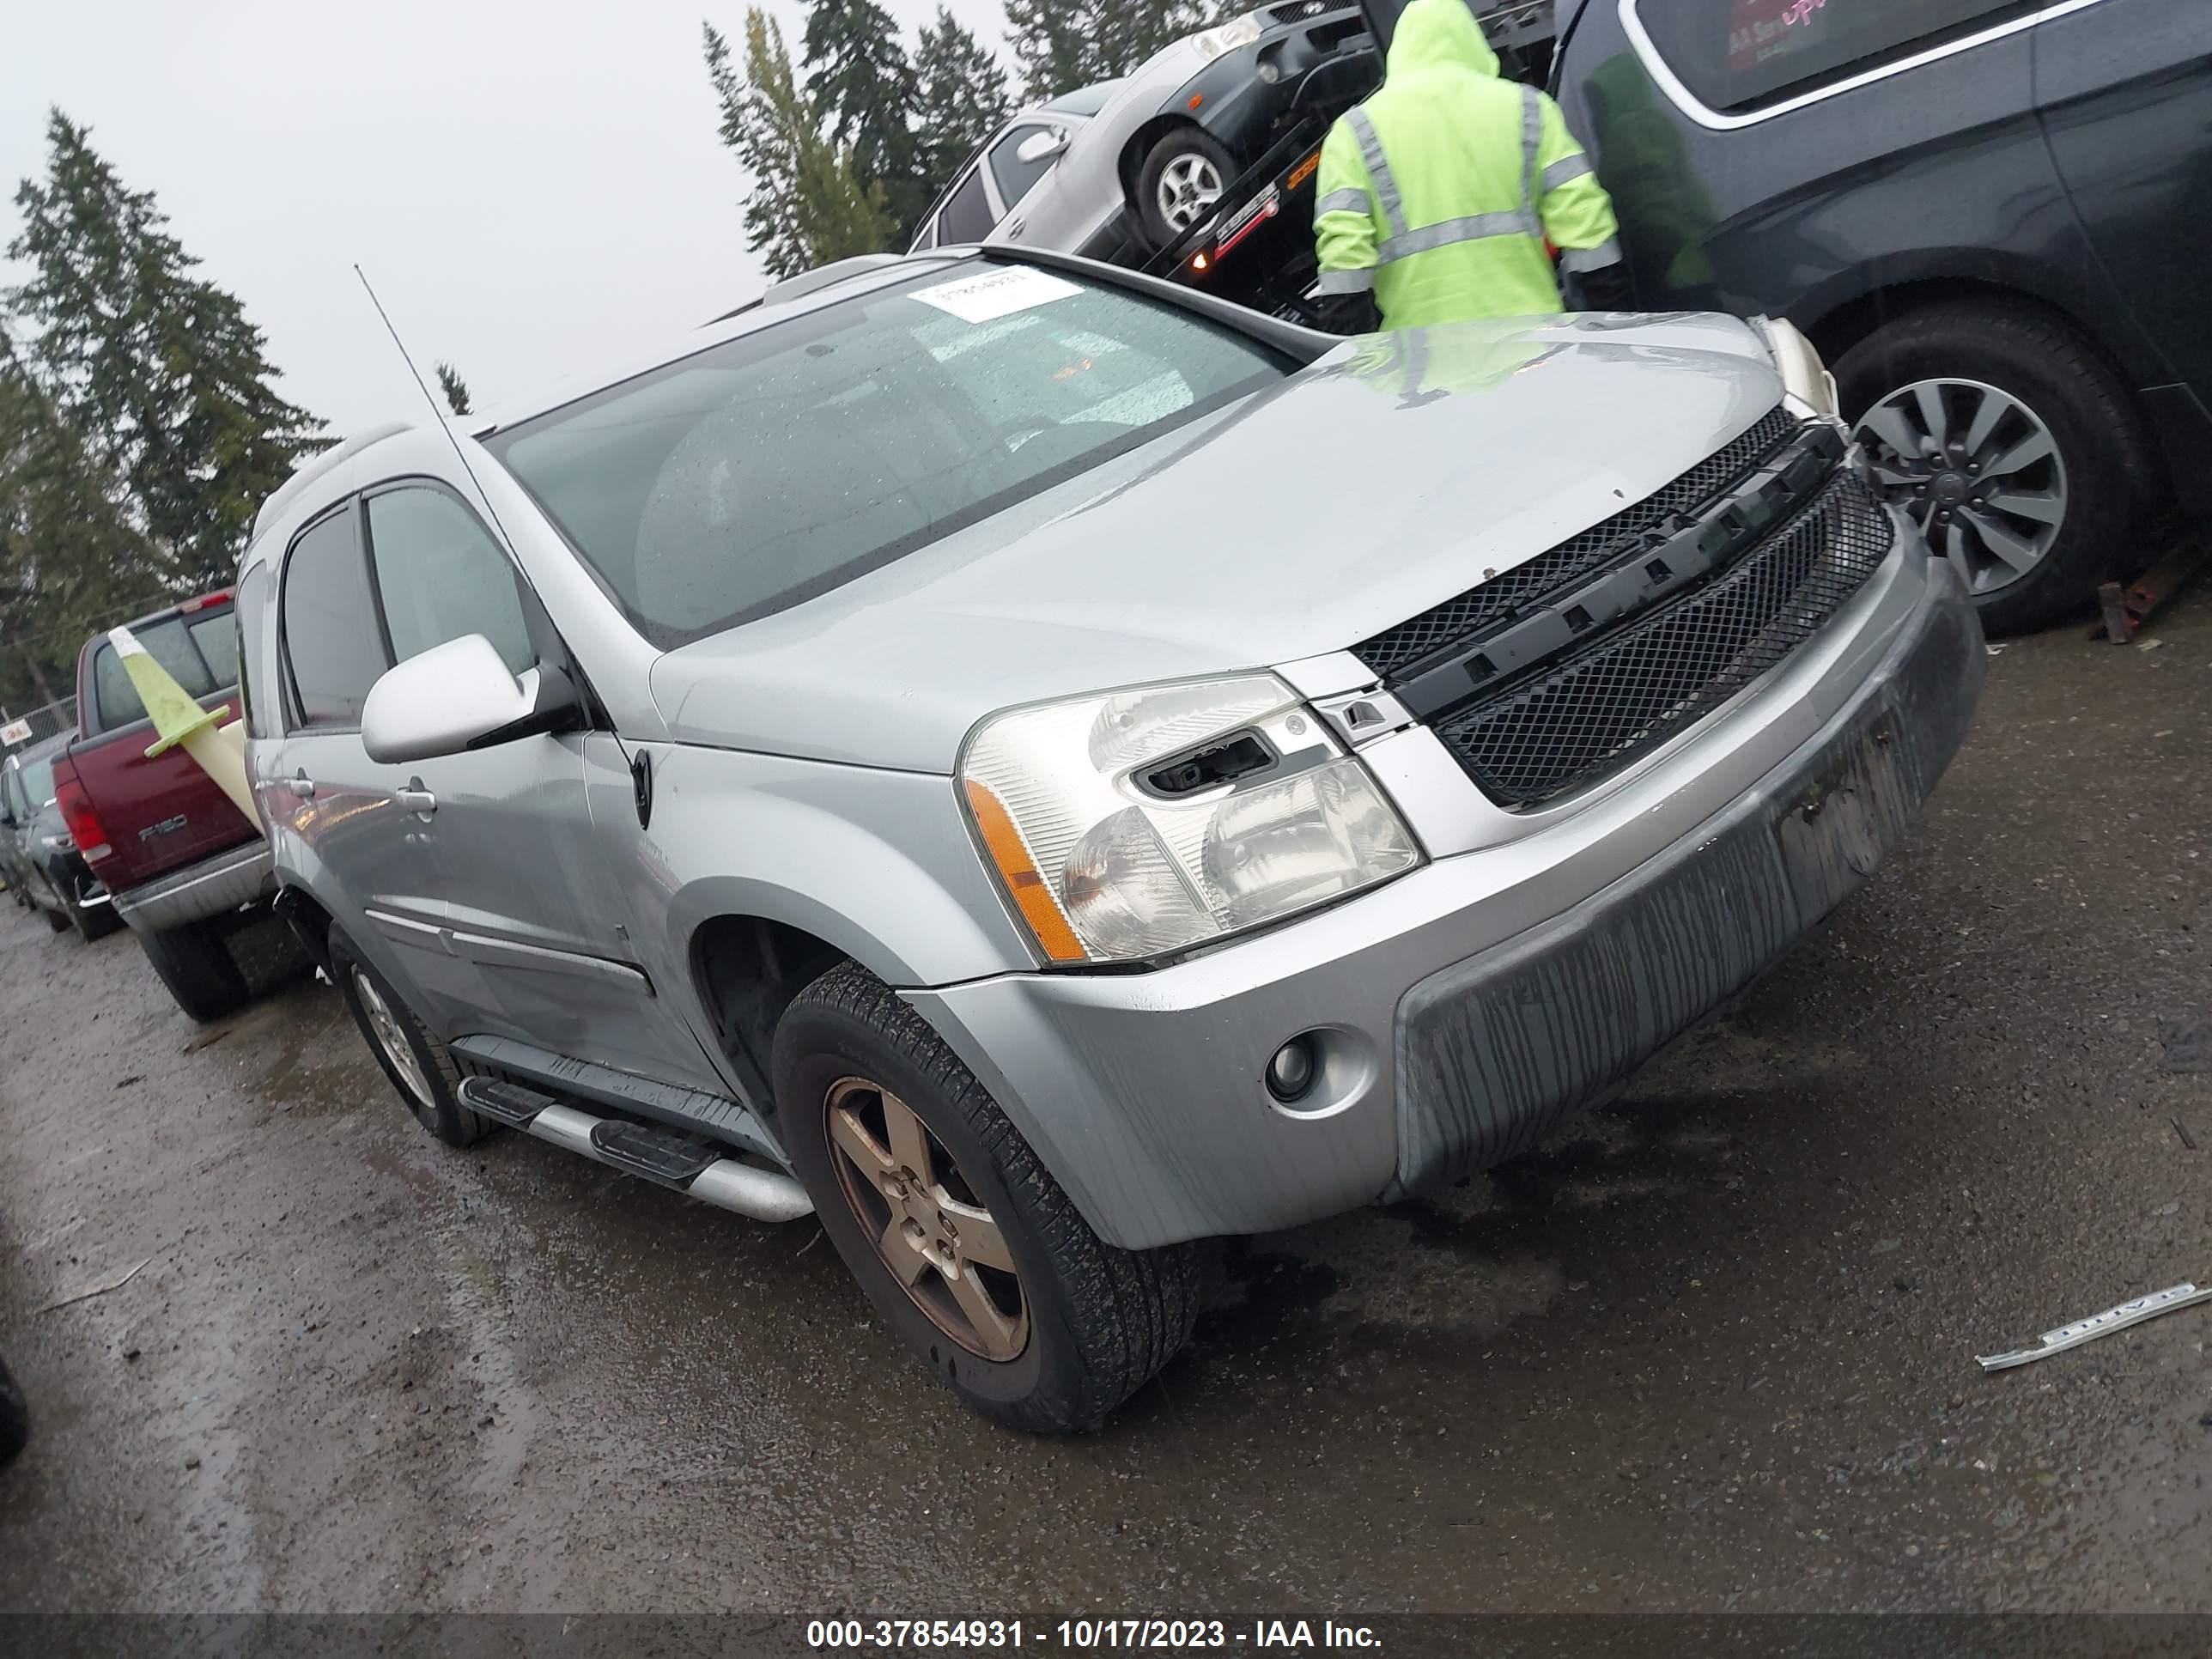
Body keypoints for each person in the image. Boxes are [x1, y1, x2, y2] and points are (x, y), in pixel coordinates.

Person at [1313, 0, 1629, 332]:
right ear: (1472, 40)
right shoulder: (1530, 109)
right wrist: (1607, 325)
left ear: (1399, 50)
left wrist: (1357, 366)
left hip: (1421, 361)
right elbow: (1587, 227)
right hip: (1532, 343)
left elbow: (1344, 266)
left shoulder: (1353, 133)